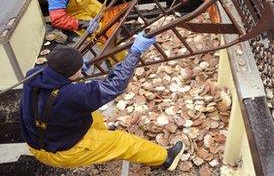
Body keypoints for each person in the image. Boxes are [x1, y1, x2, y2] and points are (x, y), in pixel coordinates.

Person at [20, 32, 184, 171]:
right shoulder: (72, 95)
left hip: (37, 141)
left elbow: (65, 86)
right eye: (78, 69)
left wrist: (76, 70)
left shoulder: (34, 75)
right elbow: (115, 86)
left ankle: (102, 142)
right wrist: (134, 52)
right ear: (70, 73)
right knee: (124, 141)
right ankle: (167, 158)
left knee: (93, 114)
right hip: (62, 152)